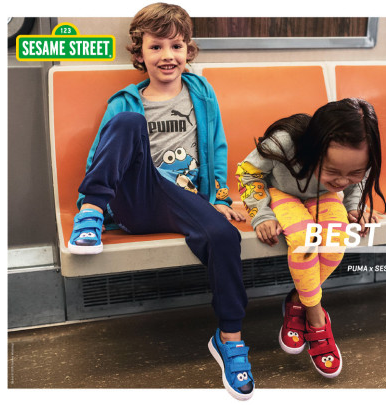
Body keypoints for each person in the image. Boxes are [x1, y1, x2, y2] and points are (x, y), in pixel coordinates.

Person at [67, 3, 254, 400]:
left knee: (225, 237)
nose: (167, 55)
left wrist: (220, 198)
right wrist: (93, 199)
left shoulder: (201, 93)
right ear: (139, 54)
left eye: (176, 45)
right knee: (127, 124)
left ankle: (230, 340)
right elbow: (99, 158)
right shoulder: (125, 102)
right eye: (156, 47)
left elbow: (217, 150)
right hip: (136, 200)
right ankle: (90, 214)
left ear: (189, 51)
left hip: (185, 202)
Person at [236, 98, 386, 378]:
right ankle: (317, 317)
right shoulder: (283, 143)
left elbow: (360, 180)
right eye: (332, 171)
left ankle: (297, 299)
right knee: (305, 237)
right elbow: (248, 171)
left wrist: (355, 205)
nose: (343, 180)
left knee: (336, 237)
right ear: (314, 148)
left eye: (352, 172)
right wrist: (261, 214)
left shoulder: (351, 169)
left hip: (322, 197)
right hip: (281, 192)